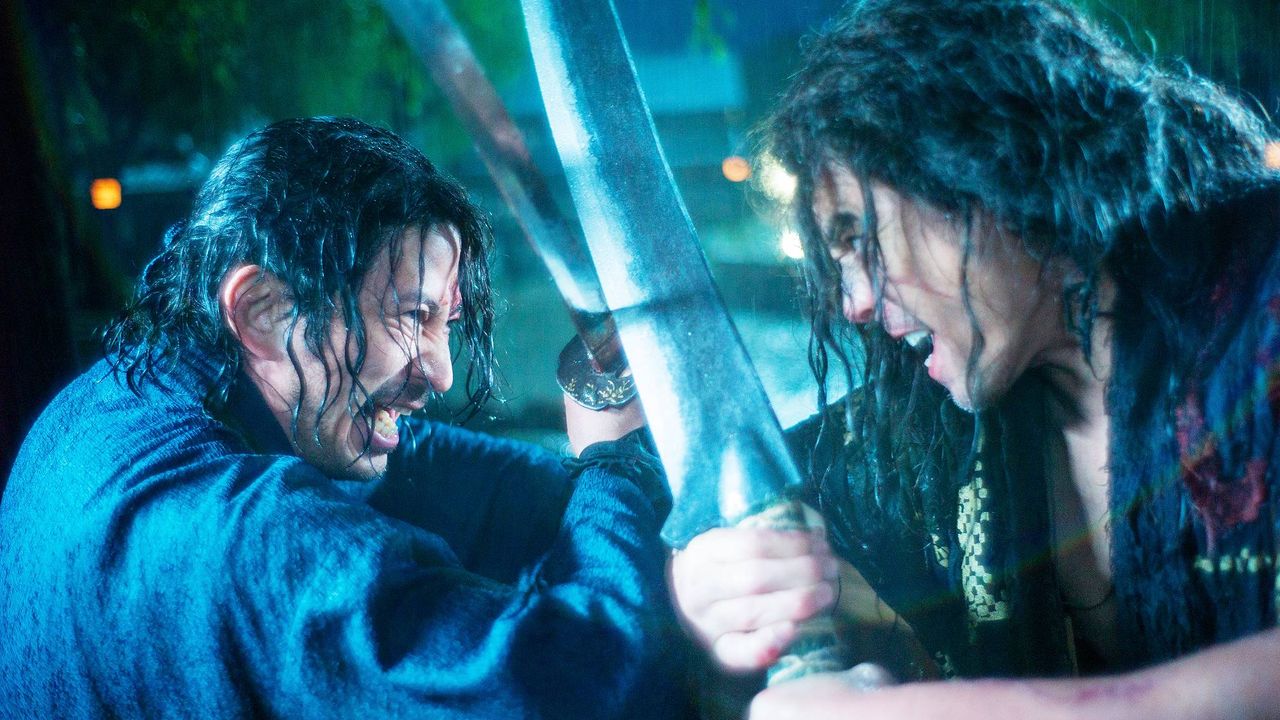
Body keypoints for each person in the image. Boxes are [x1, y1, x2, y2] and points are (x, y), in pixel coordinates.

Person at [668, 0, 1280, 717]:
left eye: (861, 237)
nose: (855, 304)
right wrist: (706, 589)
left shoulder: (1263, 297)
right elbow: (738, 500)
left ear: (986, 166)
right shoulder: (926, 430)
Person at [0, 116, 686, 718]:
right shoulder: (247, 535)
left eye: (445, 324)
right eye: (413, 316)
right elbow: (582, 688)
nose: (441, 373)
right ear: (264, 311)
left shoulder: (115, 398)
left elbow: (469, 479)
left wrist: (612, 496)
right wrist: (613, 463)